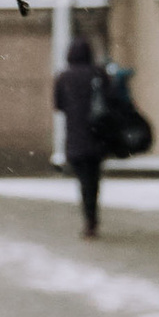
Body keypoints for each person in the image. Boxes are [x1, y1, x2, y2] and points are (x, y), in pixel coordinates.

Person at [53, 30, 107, 239]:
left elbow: (58, 105)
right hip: (97, 136)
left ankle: (89, 220)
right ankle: (92, 217)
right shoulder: (99, 74)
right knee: (94, 180)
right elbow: (109, 102)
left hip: (76, 136)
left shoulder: (64, 77)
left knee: (84, 180)